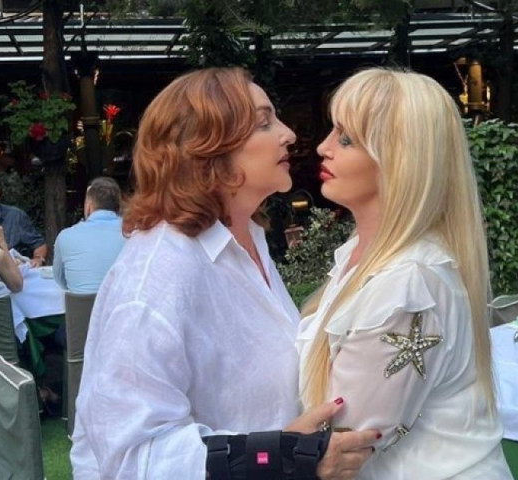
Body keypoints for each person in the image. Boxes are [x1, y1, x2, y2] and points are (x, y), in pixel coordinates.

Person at [71, 67, 377, 480]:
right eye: (264, 123)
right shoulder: (158, 274)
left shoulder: (245, 240)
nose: (288, 134)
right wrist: (284, 457)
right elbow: (131, 457)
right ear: (208, 149)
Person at [297, 68, 514, 479]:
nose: (323, 147)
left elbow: (341, 446)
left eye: (346, 139)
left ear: (398, 160)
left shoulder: (405, 284)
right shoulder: (370, 260)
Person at [52, 176, 126, 294]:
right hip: (120, 305)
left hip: (79, 305)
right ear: (120, 206)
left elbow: (61, 281)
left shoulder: (65, 237)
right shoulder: (133, 236)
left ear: (88, 206)